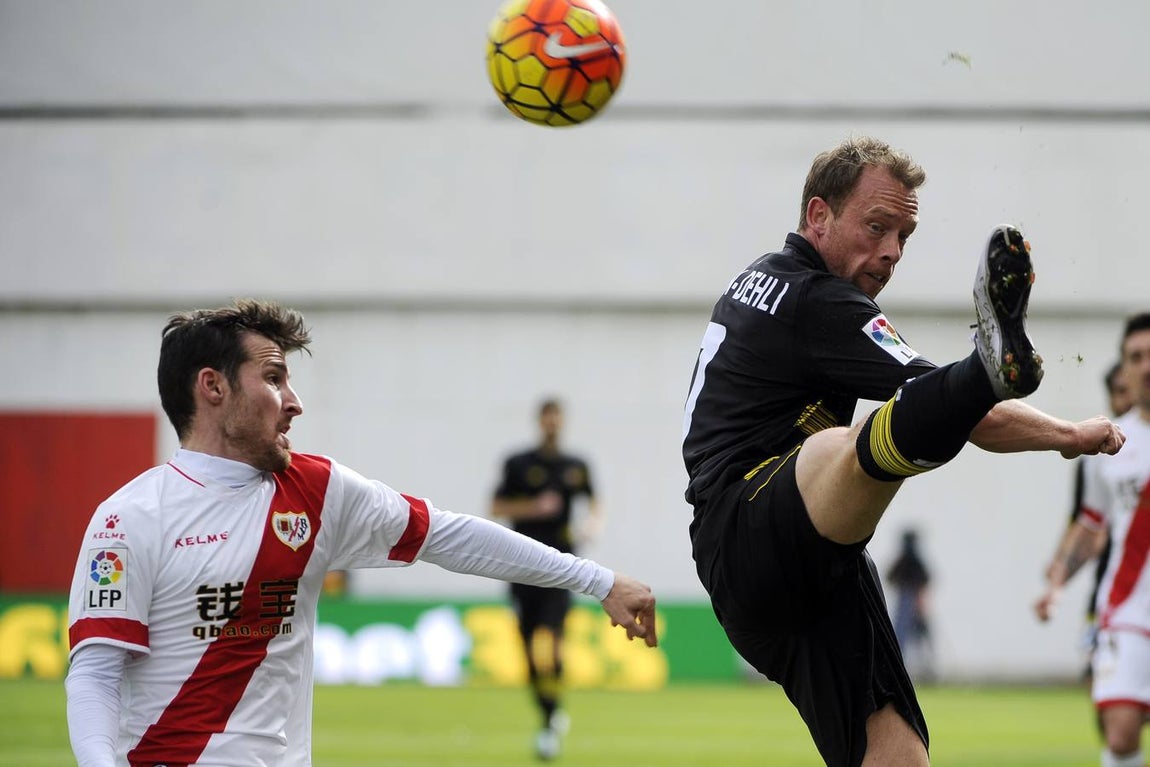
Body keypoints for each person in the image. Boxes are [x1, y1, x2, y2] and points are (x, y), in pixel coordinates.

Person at [681, 135, 1125, 767]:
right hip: (747, 526)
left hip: (812, 569)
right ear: (818, 216)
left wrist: (1066, 437)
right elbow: (951, 404)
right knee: (847, 446)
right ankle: (982, 362)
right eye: (876, 227)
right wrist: (1056, 426)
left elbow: (957, 416)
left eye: (904, 237)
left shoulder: (766, 281)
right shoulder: (817, 299)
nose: (890, 252)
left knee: (899, 758)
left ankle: (983, 365)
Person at [64, 299, 657, 767]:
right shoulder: (129, 519)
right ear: (213, 387)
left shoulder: (317, 491)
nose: (294, 402)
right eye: (273, 379)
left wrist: (598, 579)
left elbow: (452, 536)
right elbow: (95, 671)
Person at [1034, 313, 1150, 767]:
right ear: (1123, 367)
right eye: (1135, 357)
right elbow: (1090, 526)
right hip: (1127, 608)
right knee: (1120, 733)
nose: (1145, 366)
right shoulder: (1111, 446)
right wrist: (1056, 582)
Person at [491, 398, 603, 760]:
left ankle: (551, 717)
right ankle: (549, 713)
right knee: (527, 649)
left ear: (562, 422)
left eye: (557, 417)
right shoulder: (518, 463)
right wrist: (533, 508)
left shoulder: (576, 466)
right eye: (547, 417)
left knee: (552, 642)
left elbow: (594, 501)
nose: (552, 423)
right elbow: (496, 506)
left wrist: (592, 524)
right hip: (521, 566)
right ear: (540, 421)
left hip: (561, 567)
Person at [1037, 361, 1132, 681]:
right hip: (1118, 590)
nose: (1128, 397)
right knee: (1105, 691)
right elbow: (1088, 525)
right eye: (1119, 391)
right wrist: (1058, 580)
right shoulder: (1101, 456)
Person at [886, 529, 934, 682]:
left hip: (912, 606)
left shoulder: (909, 562)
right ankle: (904, 671)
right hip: (906, 606)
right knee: (905, 640)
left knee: (918, 641)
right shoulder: (908, 561)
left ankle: (925, 671)